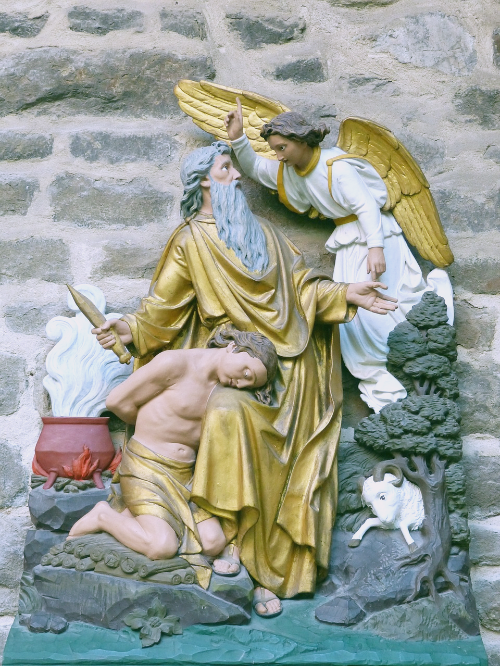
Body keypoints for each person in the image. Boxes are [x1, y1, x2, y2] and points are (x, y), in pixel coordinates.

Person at [92, 140, 397, 617]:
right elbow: (161, 311)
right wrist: (127, 329)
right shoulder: (191, 241)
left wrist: (344, 294)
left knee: (269, 444)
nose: (237, 177)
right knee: (227, 412)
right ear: (203, 182)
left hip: (288, 373)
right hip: (232, 367)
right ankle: (232, 550)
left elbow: (302, 287)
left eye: (234, 168)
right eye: (225, 169)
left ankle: (267, 569)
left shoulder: (266, 234)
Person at [225, 100, 453, 413]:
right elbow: (256, 168)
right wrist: (238, 138)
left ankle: (421, 355)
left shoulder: (337, 167)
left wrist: (376, 248)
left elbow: (366, 206)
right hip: (348, 241)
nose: (277, 156)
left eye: (282, 148)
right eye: (275, 150)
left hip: (374, 236)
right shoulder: (291, 171)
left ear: (301, 140)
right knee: (354, 315)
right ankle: (386, 389)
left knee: (388, 302)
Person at [69, 328, 277, 590]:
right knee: (162, 546)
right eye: (246, 373)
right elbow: (117, 401)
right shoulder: (175, 364)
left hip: (185, 475)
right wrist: (152, 427)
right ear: (234, 347)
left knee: (213, 542)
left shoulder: (226, 391)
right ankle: (103, 516)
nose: (242, 383)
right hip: (146, 467)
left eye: (250, 383)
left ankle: (136, 516)